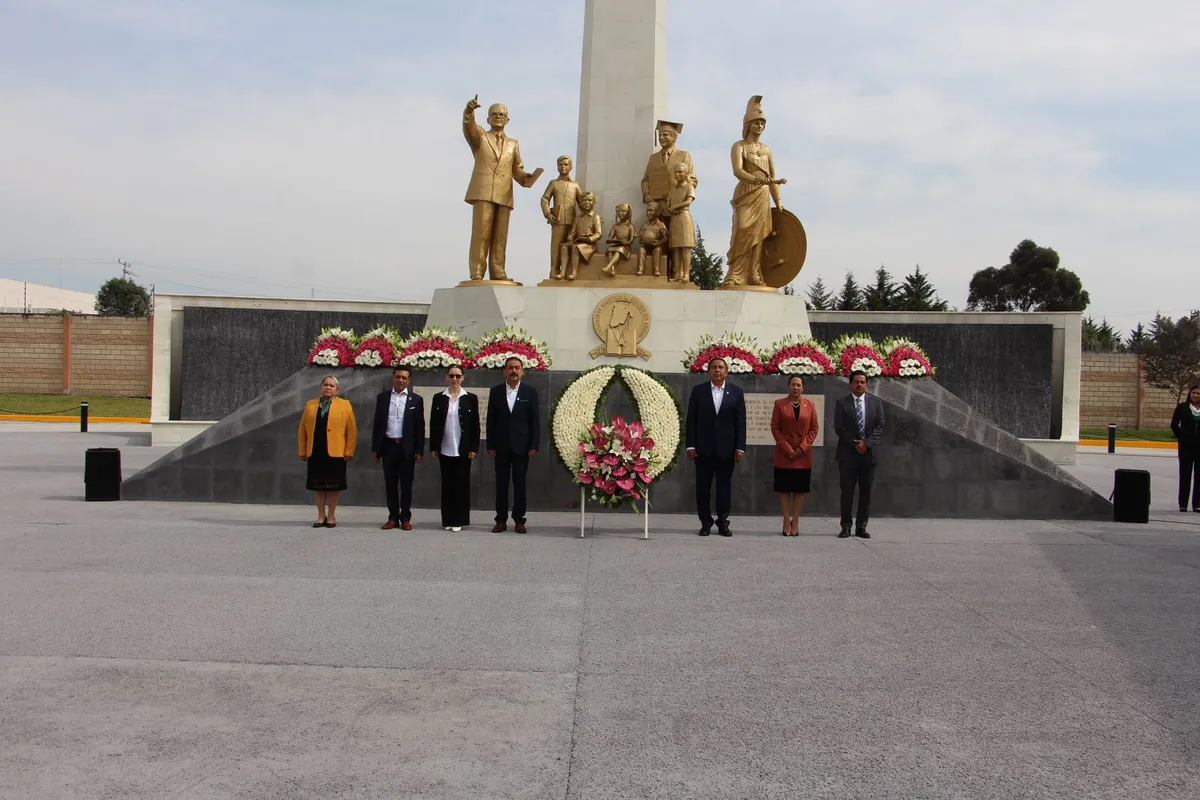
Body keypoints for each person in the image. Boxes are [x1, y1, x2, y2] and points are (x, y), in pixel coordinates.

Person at [461, 96, 543, 282]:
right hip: (483, 191)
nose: (498, 117)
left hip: (504, 194)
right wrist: (468, 112)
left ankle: (498, 271)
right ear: (488, 119)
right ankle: (477, 272)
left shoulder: (513, 144)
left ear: (507, 120)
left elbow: (517, 169)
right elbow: (469, 128)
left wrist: (527, 178)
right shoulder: (481, 137)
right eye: (494, 114)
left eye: (501, 115)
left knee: (500, 237)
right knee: (481, 235)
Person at [723, 95, 785, 288]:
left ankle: (754, 273)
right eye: (756, 123)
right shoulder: (739, 146)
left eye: (762, 123)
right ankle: (735, 274)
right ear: (747, 125)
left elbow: (773, 176)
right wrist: (756, 179)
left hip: (762, 195)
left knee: (759, 235)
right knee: (741, 230)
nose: (759, 126)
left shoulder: (766, 150)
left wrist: (778, 201)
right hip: (746, 193)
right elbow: (737, 171)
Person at [686, 357, 747, 537]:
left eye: (721, 367)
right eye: (714, 367)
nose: (717, 370)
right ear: (709, 372)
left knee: (724, 489)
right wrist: (690, 445)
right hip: (703, 449)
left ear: (726, 372)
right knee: (703, 489)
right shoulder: (699, 391)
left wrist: (740, 447)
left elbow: (741, 422)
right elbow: (692, 421)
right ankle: (705, 523)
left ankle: (723, 523)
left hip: (726, 450)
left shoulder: (736, 392)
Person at [487, 357, 540, 533]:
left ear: (522, 371)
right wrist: (490, 445)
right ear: (505, 371)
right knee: (501, 485)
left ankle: (519, 520)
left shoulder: (529, 392)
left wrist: (534, 444)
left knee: (520, 484)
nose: (514, 371)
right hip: (501, 446)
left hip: (522, 446)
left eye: (517, 368)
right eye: (510, 368)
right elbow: (490, 420)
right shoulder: (495, 392)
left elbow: (534, 420)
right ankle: (500, 520)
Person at [297, 375, 357, 528]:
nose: (328, 388)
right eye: (326, 385)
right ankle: (320, 516)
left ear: (337, 390)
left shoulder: (345, 405)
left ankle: (331, 516)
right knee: (318, 487)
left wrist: (349, 450)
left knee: (333, 486)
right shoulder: (310, 405)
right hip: (316, 451)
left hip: (336, 452)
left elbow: (351, 431)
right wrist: (302, 451)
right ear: (321, 387)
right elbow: (302, 430)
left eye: (332, 385)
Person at [372, 365, 425, 530]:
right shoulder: (383, 397)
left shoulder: (415, 399)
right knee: (390, 484)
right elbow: (377, 424)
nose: (400, 380)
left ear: (409, 380)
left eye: (404, 378)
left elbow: (420, 427)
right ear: (393, 378)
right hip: (388, 446)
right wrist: (377, 449)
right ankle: (393, 517)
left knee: (406, 485)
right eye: (398, 377)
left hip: (407, 448)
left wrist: (419, 450)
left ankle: (405, 518)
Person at [834, 370, 885, 538]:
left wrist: (867, 443)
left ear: (867, 384)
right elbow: (839, 427)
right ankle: (846, 526)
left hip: (868, 456)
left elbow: (880, 426)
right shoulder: (842, 403)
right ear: (850, 384)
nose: (859, 385)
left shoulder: (876, 403)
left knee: (866, 492)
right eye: (856, 382)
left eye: (862, 382)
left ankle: (861, 527)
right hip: (848, 455)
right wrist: (856, 443)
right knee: (847, 492)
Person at [430, 365, 481, 531]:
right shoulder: (439, 398)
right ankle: (448, 520)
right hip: (445, 448)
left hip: (463, 449)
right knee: (447, 485)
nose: (454, 379)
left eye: (458, 376)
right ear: (447, 377)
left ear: (463, 378)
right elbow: (434, 424)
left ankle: (459, 520)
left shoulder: (470, 398)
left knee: (461, 485)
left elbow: (475, 425)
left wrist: (474, 447)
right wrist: (433, 446)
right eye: (451, 375)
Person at [771, 375, 819, 536]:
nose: (795, 387)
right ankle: (786, 520)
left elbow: (814, 429)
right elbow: (775, 427)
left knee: (799, 490)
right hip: (784, 454)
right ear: (788, 386)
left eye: (799, 385)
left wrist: (801, 448)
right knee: (784, 490)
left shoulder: (810, 405)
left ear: (803, 387)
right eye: (793, 384)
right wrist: (787, 448)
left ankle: (796, 521)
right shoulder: (779, 404)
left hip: (802, 456)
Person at [541, 154, 581, 279]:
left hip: (572, 221)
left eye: (566, 165)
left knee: (569, 247)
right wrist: (548, 214)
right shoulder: (553, 183)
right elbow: (544, 199)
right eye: (560, 165)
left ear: (571, 167)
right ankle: (554, 270)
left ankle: (567, 271)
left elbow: (582, 202)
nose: (563, 167)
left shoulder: (575, 185)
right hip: (557, 220)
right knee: (556, 247)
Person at [1170, 383, 1200, 512]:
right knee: (1185, 474)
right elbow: (1174, 424)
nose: (1195, 395)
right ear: (1190, 394)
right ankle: (1183, 504)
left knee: (1199, 476)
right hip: (1186, 447)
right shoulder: (1182, 407)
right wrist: (1181, 436)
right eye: (1193, 393)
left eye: (1198, 393)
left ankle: (1197, 504)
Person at [666, 162, 696, 284]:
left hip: (684, 216)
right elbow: (669, 202)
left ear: (686, 173)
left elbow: (688, 202)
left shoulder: (689, 186)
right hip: (675, 218)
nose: (678, 174)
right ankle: (678, 273)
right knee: (676, 247)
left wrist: (675, 207)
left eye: (680, 172)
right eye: (676, 172)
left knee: (685, 247)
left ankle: (686, 274)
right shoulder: (673, 188)